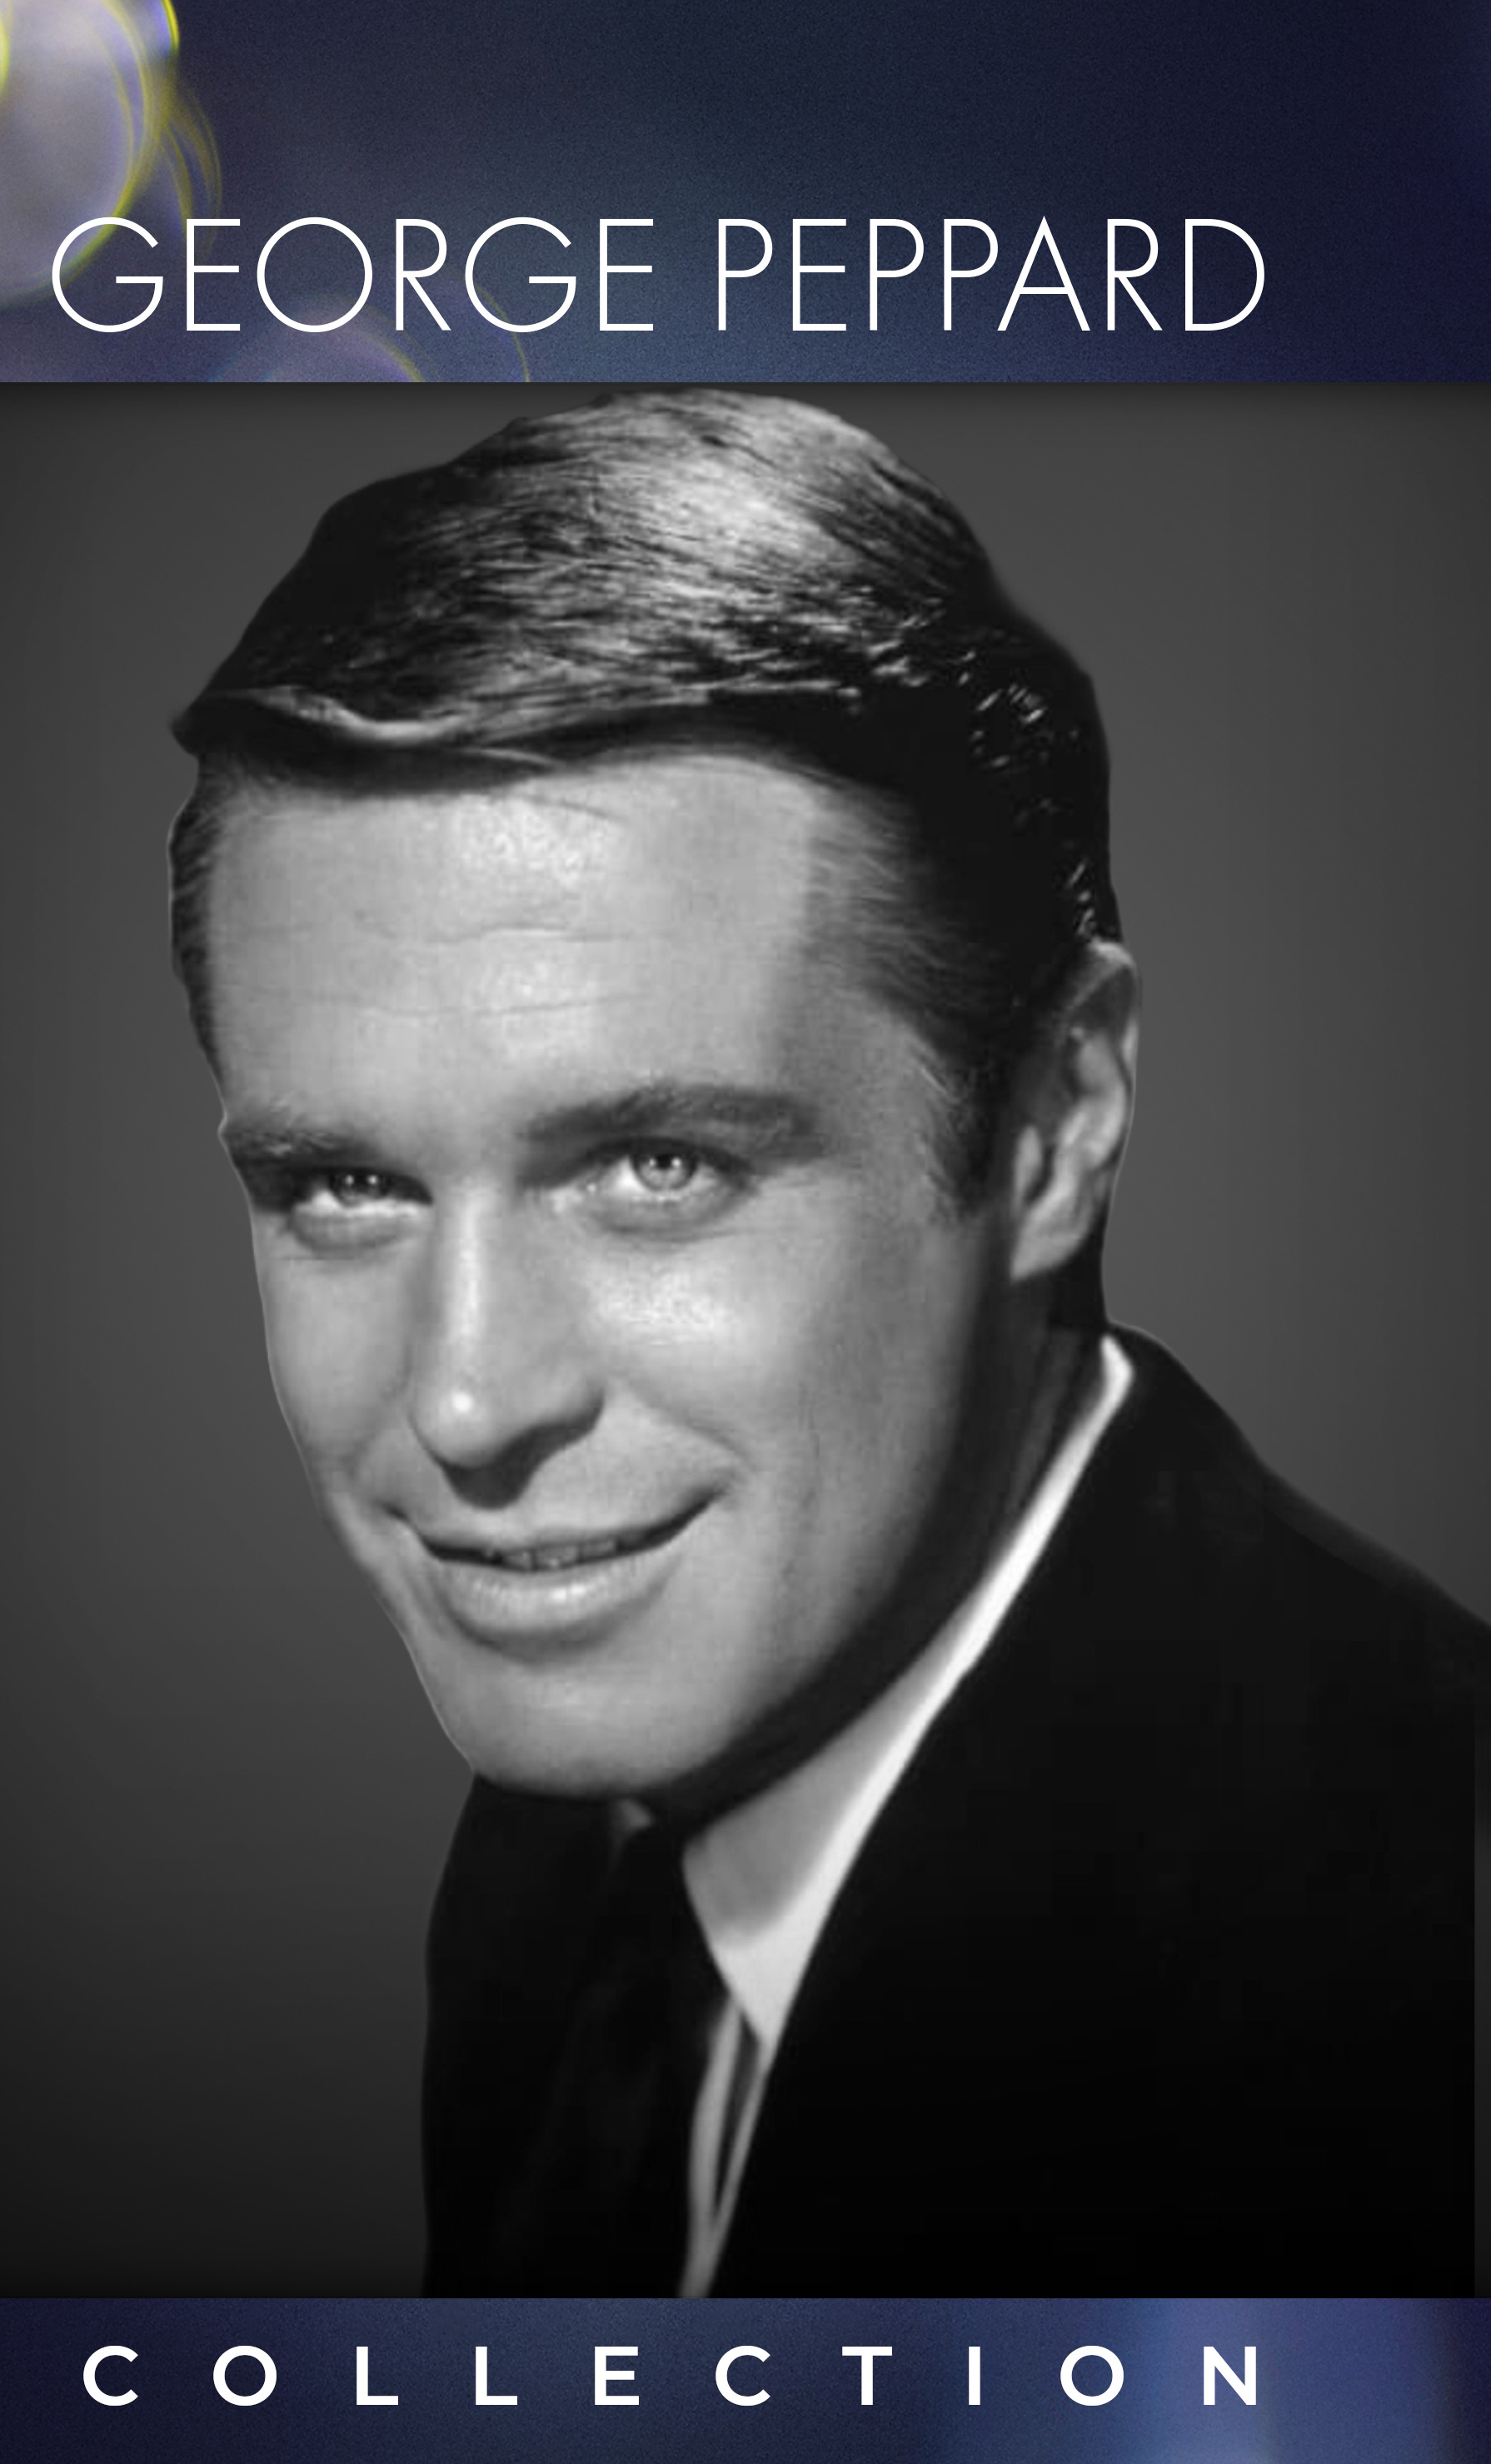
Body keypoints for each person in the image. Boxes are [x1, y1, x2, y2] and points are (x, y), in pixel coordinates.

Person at [167, 389, 1484, 2293]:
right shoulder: (570, 1843)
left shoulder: (1414, 2004)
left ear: (1055, 1123)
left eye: (658, 1166)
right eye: (344, 1186)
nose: (463, 1400)